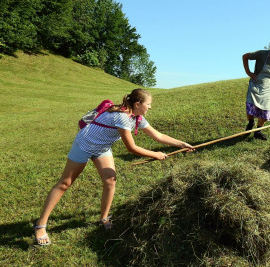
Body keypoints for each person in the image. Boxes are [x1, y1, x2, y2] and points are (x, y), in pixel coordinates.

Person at [33, 89, 194, 245]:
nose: (150, 107)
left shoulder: (136, 117)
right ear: (138, 103)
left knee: (110, 181)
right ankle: (40, 225)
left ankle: (104, 217)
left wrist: (182, 144)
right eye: (148, 104)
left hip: (102, 147)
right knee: (65, 183)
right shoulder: (122, 117)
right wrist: (155, 154)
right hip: (85, 144)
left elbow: (158, 135)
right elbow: (131, 148)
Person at [242, 37, 270, 140]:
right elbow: (245, 56)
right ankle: (250, 123)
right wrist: (248, 72)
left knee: (266, 108)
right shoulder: (262, 54)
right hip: (256, 83)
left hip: (268, 86)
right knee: (251, 105)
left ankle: (258, 131)